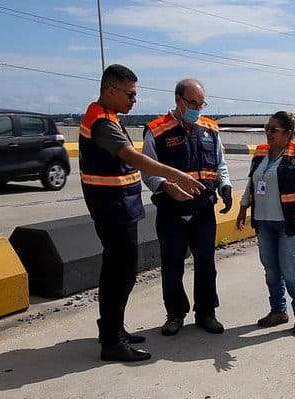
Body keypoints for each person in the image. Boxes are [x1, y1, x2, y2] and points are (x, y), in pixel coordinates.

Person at [79, 64, 203, 362]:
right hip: (113, 209)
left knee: (118, 272)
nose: (134, 100)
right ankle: (111, 340)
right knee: (120, 275)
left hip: (119, 206)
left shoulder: (107, 116)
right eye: (130, 94)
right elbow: (133, 158)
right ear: (111, 91)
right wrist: (177, 176)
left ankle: (113, 328)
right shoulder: (102, 123)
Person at [142, 79, 233, 336]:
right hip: (172, 210)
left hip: (204, 209)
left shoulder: (210, 129)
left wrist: (224, 186)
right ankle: (175, 314)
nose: (197, 108)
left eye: (201, 103)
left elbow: (220, 164)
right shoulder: (157, 130)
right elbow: (148, 169)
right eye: (192, 103)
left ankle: (206, 312)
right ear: (178, 100)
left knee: (206, 263)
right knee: (172, 264)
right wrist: (165, 186)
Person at [236, 111, 295, 336]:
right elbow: (252, 182)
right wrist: (243, 207)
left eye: (273, 129)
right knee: (271, 269)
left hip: (291, 222)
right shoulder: (261, 153)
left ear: (288, 133)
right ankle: (278, 311)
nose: (268, 133)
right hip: (264, 222)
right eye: (267, 128)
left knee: (291, 268)